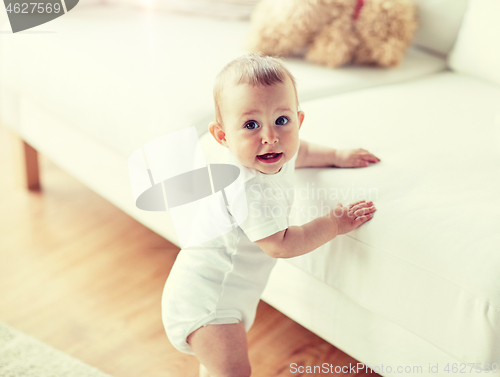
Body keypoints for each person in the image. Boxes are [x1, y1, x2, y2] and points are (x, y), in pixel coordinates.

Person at [161, 53, 380, 377]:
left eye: (281, 120)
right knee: (234, 373)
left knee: (217, 370)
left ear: (298, 120)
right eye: (251, 125)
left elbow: (300, 152)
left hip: (222, 295)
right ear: (223, 136)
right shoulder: (250, 186)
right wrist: (333, 223)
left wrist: (336, 156)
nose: (270, 136)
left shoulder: (273, 150)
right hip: (207, 303)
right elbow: (281, 244)